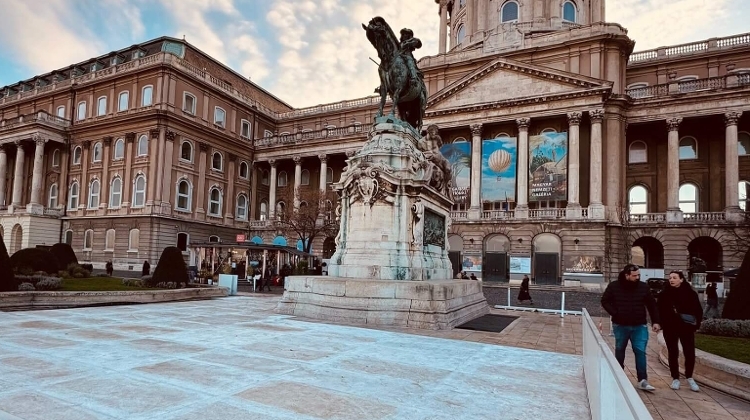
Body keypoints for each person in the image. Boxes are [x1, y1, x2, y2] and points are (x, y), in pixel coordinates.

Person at [601, 264, 661, 392]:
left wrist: (656, 321)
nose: (637, 277)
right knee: (620, 350)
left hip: (639, 325)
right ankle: (618, 374)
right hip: (620, 324)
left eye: (638, 275)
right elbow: (605, 301)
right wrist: (615, 313)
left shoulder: (643, 287)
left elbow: (652, 305)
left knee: (640, 351)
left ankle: (642, 379)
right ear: (626, 275)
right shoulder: (614, 286)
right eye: (634, 275)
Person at [658, 270, 703, 392]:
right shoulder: (664, 294)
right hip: (670, 327)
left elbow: (698, 311)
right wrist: (659, 324)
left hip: (686, 327)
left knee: (689, 353)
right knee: (673, 352)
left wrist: (696, 325)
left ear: (681, 279)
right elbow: (659, 310)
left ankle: (689, 377)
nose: (671, 279)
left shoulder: (690, 294)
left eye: (674, 277)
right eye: (670, 277)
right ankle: (675, 378)